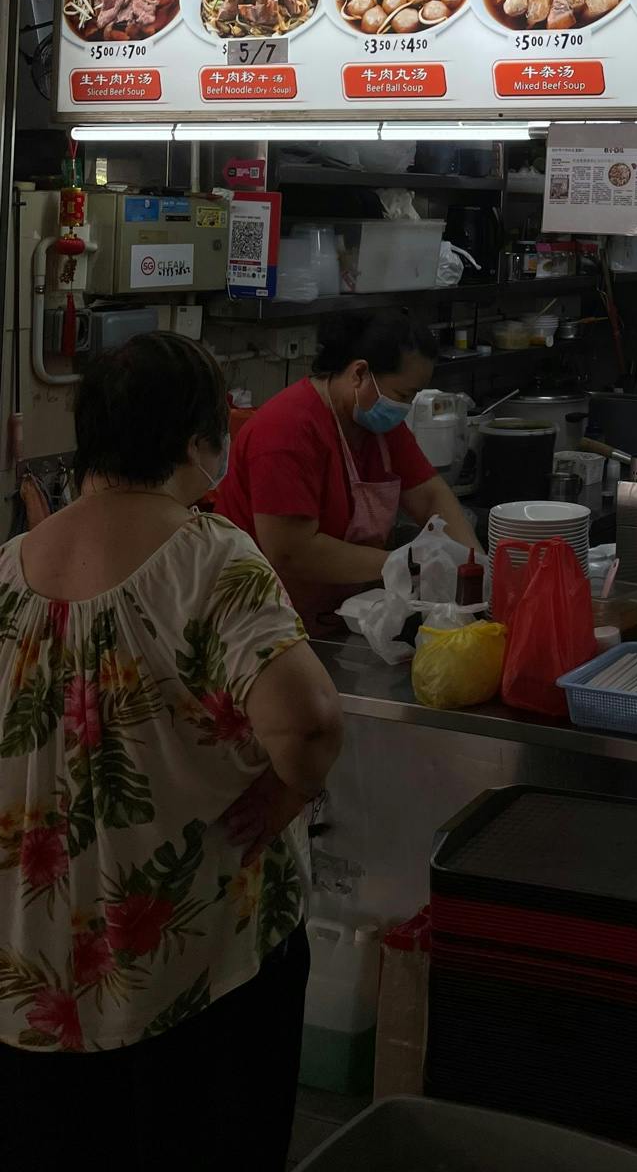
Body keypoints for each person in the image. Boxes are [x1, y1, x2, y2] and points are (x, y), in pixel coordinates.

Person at [0, 331, 342, 1169]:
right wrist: (289, 794)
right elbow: (310, 723)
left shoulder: (8, 567)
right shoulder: (208, 559)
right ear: (197, 440)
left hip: (32, 976)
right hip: (193, 971)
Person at [214, 305, 481, 632]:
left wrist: (475, 567)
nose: (404, 408)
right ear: (358, 373)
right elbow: (292, 551)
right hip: (263, 624)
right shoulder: (286, 430)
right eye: (402, 394)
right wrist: (400, 563)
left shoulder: (379, 426)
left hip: (341, 618)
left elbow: (429, 496)